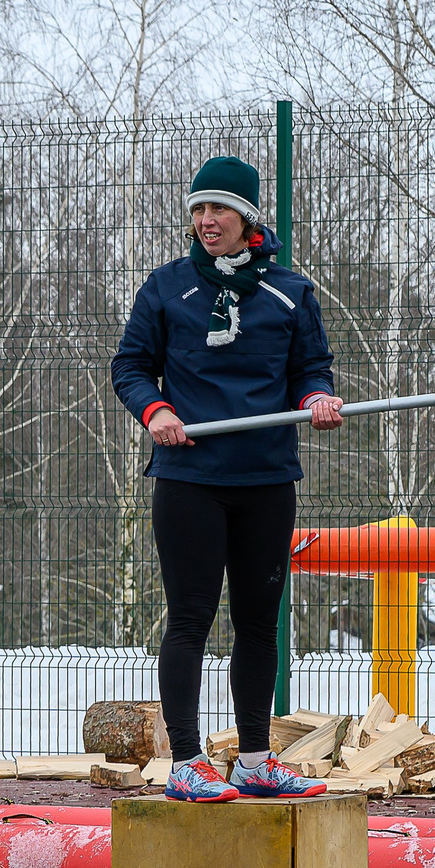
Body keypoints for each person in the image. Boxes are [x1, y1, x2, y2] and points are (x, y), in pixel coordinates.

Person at [111, 155, 344, 801]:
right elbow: (130, 366)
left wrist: (320, 396)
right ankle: (186, 761)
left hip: (267, 478)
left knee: (258, 623)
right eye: (198, 208)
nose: (206, 220)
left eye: (219, 208)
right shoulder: (166, 287)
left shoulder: (290, 292)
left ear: (248, 218)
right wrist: (155, 410)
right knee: (189, 617)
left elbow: (312, 368)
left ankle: (255, 759)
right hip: (189, 476)